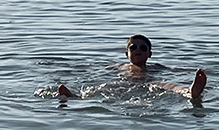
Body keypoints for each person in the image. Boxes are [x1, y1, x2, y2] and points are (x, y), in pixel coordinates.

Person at [58, 34, 207, 100]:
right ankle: (76, 97)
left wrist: (196, 71)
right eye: (133, 47)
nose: (138, 50)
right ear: (126, 53)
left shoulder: (156, 67)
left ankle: (189, 91)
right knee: (102, 89)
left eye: (143, 48)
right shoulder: (119, 66)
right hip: (124, 84)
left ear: (150, 54)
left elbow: (175, 70)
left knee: (167, 85)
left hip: (149, 83)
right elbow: (92, 69)